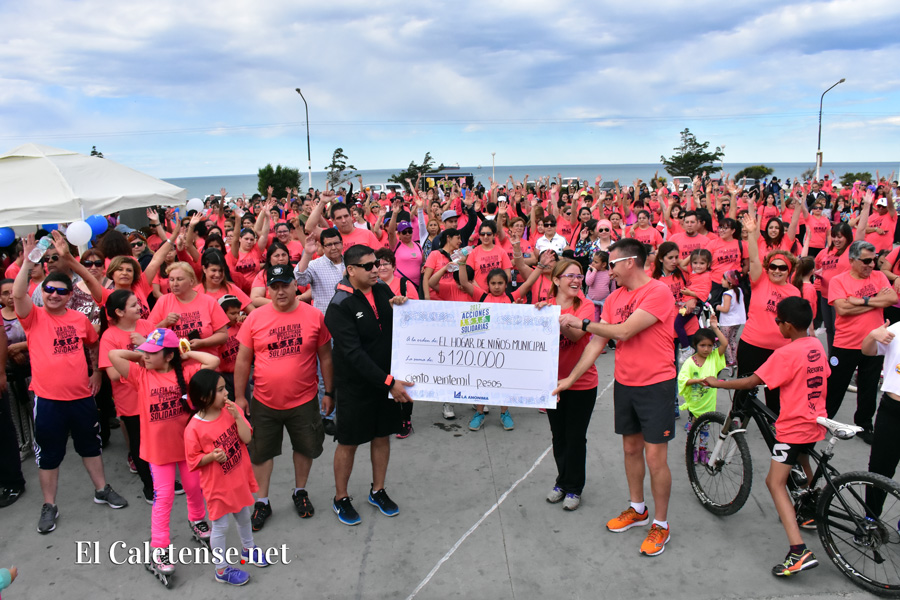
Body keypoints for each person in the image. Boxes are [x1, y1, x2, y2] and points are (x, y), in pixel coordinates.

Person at [554, 238, 676, 556]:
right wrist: (570, 378)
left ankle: (661, 525)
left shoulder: (657, 292)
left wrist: (581, 322)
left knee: (655, 459)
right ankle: (637, 509)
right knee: (631, 449)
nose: (608, 271)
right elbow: (596, 343)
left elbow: (622, 332)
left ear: (629, 262)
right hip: (625, 384)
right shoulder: (614, 298)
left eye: (611, 264)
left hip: (655, 386)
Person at [704, 296, 827, 578]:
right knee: (804, 458)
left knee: (774, 482)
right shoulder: (815, 345)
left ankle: (798, 550)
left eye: (778, 322)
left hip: (794, 425)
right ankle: (809, 506)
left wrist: (717, 382)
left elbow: (751, 382)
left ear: (786, 325)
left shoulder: (785, 353)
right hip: (815, 418)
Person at [15, 232, 128, 534]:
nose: (54, 294)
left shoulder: (79, 319)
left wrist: (96, 372)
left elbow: (93, 345)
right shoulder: (33, 317)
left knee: (90, 446)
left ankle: (101, 489)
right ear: (43, 291)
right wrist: (27, 262)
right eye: (49, 289)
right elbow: (17, 296)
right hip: (48, 400)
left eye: (60, 291)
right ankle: (49, 504)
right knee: (49, 454)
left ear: (69, 295)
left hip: (81, 398)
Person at [107, 328, 219, 576]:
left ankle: (198, 521)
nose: (145, 356)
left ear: (169, 356)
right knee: (164, 497)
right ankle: (159, 548)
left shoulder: (187, 373)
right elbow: (114, 355)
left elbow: (213, 362)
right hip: (158, 453)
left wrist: (185, 353)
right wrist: (142, 354)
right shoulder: (141, 374)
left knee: (193, 487)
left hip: (187, 448)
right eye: (145, 351)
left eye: (152, 352)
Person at [234, 265, 332, 532]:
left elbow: (325, 356)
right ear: (269, 289)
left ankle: (300, 491)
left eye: (285, 285)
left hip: (305, 399)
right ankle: (262, 501)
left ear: (295, 286)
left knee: (305, 447)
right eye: (274, 286)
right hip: (264, 401)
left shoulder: (313, 316)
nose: (279, 291)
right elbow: (243, 360)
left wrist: (330, 392)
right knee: (261, 453)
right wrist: (240, 397)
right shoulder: (255, 318)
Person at [324, 244, 413, 526]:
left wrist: (399, 306)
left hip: (385, 382)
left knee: (381, 436)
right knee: (348, 442)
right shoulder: (339, 305)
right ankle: (341, 498)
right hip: (356, 386)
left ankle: (378, 490)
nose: (377, 269)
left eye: (377, 264)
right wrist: (389, 383)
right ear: (351, 270)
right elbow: (353, 354)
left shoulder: (382, 289)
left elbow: (392, 326)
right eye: (369, 266)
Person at [184, 370, 269, 586]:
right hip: (217, 486)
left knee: (243, 516)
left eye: (225, 388)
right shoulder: (193, 428)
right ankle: (221, 569)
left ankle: (248, 549)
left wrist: (239, 416)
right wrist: (210, 456)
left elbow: (247, 438)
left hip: (238, 479)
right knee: (220, 527)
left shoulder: (231, 411)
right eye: (220, 390)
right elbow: (193, 460)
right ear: (204, 397)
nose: (226, 393)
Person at [540, 259, 598, 511]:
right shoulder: (546, 306)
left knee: (575, 437)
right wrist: (537, 316)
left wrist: (557, 319)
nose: (576, 280)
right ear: (555, 280)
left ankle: (574, 487)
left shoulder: (585, 306)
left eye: (579, 275)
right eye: (570, 275)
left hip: (581, 383)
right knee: (559, 436)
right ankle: (562, 482)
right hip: (551, 384)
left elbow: (576, 335)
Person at [825, 240, 897, 444]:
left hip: (874, 344)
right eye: (866, 261)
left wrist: (860, 300)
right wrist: (875, 302)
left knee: (868, 386)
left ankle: (865, 426)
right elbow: (842, 309)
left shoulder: (880, 276)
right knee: (835, 386)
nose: (871, 265)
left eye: (873, 260)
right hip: (845, 343)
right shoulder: (839, 281)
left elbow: (891, 299)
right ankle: (825, 421)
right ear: (852, 261)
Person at [734, 213, 801, 414]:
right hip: (752, 345)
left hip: (780, 350)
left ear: (789, 272)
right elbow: (754, 258)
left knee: (775, 390)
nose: (777, 271)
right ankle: (737, 416)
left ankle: (772, 421)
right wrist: (753, 233)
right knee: (744, 384)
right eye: (773, 267)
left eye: (782, 268)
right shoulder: (760, 280)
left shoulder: (794, 292)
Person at [99, 290, 156, 503]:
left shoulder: (147, 326)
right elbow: (113, 373)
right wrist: (144, 351)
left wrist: (144, 345)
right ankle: (149, 486)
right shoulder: (110, 336)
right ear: (119, 312)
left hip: (155, 396)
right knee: (139, 443)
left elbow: (165, 357)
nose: (139, 307)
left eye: (138, 303)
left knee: (158, 442)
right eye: (133, 305)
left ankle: (162, 480)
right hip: (130, 401)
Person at [860, 319, 900, 520]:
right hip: (892, 410)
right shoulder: (896, 330)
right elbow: (868, 351)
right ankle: (870, 519)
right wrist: (872, 335)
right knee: (879, 469)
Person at [677, 318, 727, 425]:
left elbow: (725, 344)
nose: (706, 349)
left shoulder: (713, 358)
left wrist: (715, 328)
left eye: (710, 346)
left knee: (705, 432)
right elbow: (683, 380)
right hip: (694, 403)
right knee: (693, 430)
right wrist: (698, 381)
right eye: (702, 345)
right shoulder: (690, 362)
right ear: (695, 345)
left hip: (708, 403)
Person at [714, 270, 746, 367]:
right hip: (737, 321)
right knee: (732, 339)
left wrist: (718, 307)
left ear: (730, 282)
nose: (721, 281)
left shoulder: (727, 294)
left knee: (725, 341)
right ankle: (735, 359)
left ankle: (730, 360)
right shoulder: (739, 291)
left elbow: (726, 309)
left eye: (724, 279)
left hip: (727, 322)